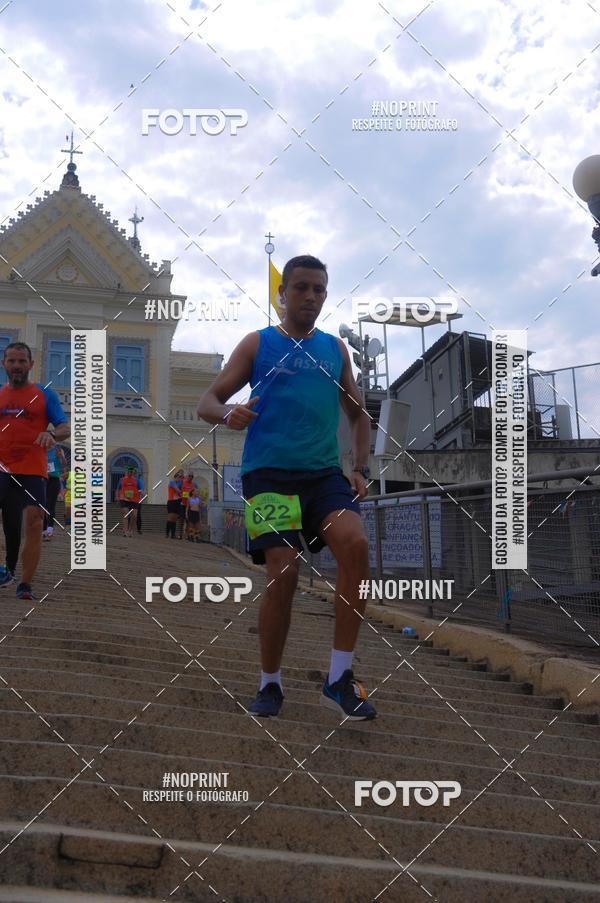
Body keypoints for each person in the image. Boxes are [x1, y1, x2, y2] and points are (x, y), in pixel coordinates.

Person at [198, 255, 376, 720]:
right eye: (301, 288)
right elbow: (207, 401)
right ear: (282, 294)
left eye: (319, 289)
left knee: (356, 545)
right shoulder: (258, 343)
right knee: (285, 572)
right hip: (269, 476)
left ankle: (339, 679)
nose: (311, 297)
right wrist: (229, 413)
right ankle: (270, 682)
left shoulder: (335, 349)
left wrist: (361, 468)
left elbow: (359, 414)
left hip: (322, 476)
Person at [0, 342, 70, 599]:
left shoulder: (44, 394)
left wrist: (51, 434)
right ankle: (4, 571)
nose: (17, 365)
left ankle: (25, 584)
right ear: (4, 364)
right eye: (12, 361)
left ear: (30, 364)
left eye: (22, 361)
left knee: (34, 522)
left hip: (32, 470)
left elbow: (64, 427)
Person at [43, 445, 67, 541]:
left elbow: (64, 464)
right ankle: (43, 530)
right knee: (42, 506)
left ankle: (49, 531)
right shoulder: (40, 449)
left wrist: (61, 456)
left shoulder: (57, 450)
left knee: (50, 506)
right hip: (43, 479)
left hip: (54, 480)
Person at [116, 465, 143, 538]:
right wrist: (117, 497)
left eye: (131, 471)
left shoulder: (137, 480)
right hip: (124, 499)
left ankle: (130, 530)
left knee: (134, 516)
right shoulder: (122, 479)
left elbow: (140, 489)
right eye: (129, 471)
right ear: (126, 472)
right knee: (126, 514)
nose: (130, 472)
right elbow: (118, 489)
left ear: (133, 472)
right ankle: (125, 531)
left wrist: (141, 493)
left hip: (134, 499)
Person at [178, 471, 197, 540]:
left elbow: (194, 494)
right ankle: (180, 534)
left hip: (189, 505)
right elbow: (178, 490)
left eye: (192, 476)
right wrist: (184, 495)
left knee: (188, 520)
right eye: (189, 476)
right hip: (183, 503)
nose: (190, 477)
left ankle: (187, 535)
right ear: (187, 476)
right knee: (181, 519)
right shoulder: (182, 482)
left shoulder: (193, 484)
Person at [166, 469, 183, 539]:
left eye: (180, 477)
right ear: (175, 477)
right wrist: (182, 493)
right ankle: (167, 533)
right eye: (178, 477)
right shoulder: (172, 482)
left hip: (177, 502)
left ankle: (173, 534)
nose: (179, 479)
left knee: (175, 519)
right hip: (171, 501)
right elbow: (178, 490)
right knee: (170, 518)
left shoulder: (180, 483)